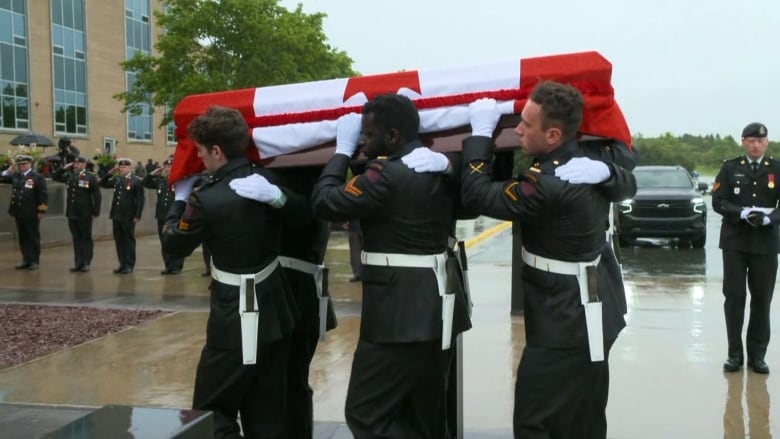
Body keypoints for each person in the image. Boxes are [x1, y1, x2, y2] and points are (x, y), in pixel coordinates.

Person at [459, 82, 635, 438]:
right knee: (583, 418)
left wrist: (480, 135)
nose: (518, 128)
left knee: (535, 422)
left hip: (564, 319)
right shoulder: (590, 159)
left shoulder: (547, 183)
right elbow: (628, 178)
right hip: (597, 306)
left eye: (525, 123)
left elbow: (476, 195)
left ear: (554, 134)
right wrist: (608, 172)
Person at [312, 93, 469, 438]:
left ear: (393, 136)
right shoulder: (441, 169)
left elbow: (324, 202)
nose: (362, 141)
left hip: (397, 318)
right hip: (439, 308)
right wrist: (452, 163)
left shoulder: (384, 175)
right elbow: (473, 189)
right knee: (425, 416)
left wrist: (341, 151)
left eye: (368, 135)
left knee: (365, 413)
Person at [161, 105, 308, 438]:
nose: (199, 160)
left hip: (232, 315)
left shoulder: (207, 199)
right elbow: (307, 214)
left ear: (217, 150)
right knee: (268, 412)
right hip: (275, 310)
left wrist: (179, 200)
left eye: (201, 152)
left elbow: (173, 245)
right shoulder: (269, 182)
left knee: (210, 412)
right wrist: (280, 198)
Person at [232, 165, 339, 438]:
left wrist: (277, 197)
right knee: (278, 385)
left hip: (296, 291)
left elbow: (310, 212)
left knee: (287, 385)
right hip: (282, 291)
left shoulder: (311, 177)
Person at [711, 122, 779, 375]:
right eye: (750, 140)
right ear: (743, 142)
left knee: (762, 300)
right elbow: (718, 201)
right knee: (735, 298)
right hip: (735, 242)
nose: (755, 144)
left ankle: (757, 356)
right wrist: (740, 213)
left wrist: (770, 218)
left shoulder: (776, 168)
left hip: (766, 243)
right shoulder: (730, 168)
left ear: (766, 143)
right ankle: (734, 355)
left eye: (760, 141)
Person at [53, 156, 102, 272]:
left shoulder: (91, 177)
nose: (75, 165)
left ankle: (86, 262)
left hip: (85, 212)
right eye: (74, 163)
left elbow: (97, 195)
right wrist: (63, 168)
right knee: (76, 238)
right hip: (72, 212)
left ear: (84, 164)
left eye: (78, 163)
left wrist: (96, 211)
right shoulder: (71, 176)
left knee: (86, 238)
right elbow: (56, 177)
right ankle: (78, 262)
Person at [0, 154, 48, 270]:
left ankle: (34, 260)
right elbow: (2, 178)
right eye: (19, 164)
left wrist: (41, 211)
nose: (21, 166)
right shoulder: (16, 176)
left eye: (24, 164)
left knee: (32, 236)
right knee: (23, 237)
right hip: (18, 211)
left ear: (29, 164)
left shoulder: (37, 177)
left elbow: (43, 195)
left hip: (31, 211)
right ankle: (26, 259)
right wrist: (8, 170)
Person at [99, 157, 144, 274]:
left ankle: (129, 264)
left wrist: (137, 215)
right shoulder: (117, 180)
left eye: (124, 167)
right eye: (120, 167)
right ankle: (122, 263)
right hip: (117, 215)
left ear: (130, 168)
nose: (122, 169)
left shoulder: (136, 181)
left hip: (129, 216)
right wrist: (109, 173)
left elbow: (140, 200)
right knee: (119, 240)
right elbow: (102, 183)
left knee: (128, 240)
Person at [142, 158, 183, 275]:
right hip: (161, 216)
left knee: (176, 240)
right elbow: (144, 183)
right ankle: (168, 265)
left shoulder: (180, 181)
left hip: (175, 216)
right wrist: (153, 173)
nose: (168, 169)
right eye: (166, 166)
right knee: (164, 241)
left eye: (170, 166)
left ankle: (177, 266)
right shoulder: (160, 181)